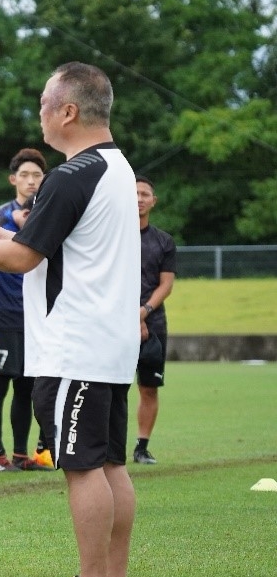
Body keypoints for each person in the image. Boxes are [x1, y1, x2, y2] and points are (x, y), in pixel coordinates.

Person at [0, 61, 140, 577]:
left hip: (76, 342)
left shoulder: (71, 174)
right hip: (109, 342)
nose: (41, 117)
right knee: (110, 463)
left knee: (81, 465)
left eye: (45, 106)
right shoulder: (116, 168)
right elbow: (45, 243)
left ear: (68, 111)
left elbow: (25, 258)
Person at [0, 149, 53, 472]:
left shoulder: (49, 215)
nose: (31, 181)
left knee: (28, 386)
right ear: (13, 179)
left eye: (37, 175)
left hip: (38, 319)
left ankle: (22, 456)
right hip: (4, 315)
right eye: (25, 175)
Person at [133, 175, 176, 465]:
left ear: (153, 201)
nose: (139, 199)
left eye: (145, 194)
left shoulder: (163, 241)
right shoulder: (112, 235)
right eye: (134, 193)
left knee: (149, 387)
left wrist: (143, 311)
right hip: (114, 324)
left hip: (153, 325)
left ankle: (141, 447)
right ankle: (107, 447)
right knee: (110, 387)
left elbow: (166, 284)